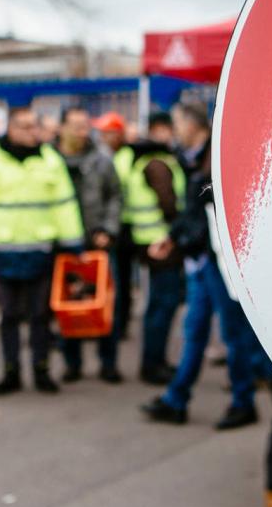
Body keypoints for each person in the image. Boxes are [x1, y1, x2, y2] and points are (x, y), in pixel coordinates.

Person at [142, 102, 261, 429]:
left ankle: (243, 401)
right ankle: (177, 398)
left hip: (218, 260)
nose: (175, 129)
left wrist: (178, 238)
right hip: (202, 259)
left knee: (231, 333)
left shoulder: (214, 156)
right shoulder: (193, 158)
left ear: (193, 124)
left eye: (178, 122)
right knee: (195, 330)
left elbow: (208, 208)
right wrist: (174, 237)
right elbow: (194, 211)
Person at [0, 107, 82, 396]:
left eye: (34, 126)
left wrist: (72, 240)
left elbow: (64, 204)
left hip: (40, 250)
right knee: (9, 315)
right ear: (10, 129)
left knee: (40, 315)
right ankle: (11, 371)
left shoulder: (50, 161)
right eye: (24, 126)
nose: (31, 132)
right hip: (3, 252)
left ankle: (41, 370)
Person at [54, 106, 124, 383]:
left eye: (86, 125)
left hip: (98, 242)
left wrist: (108, 229)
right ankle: (72, 363)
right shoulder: (50, 160)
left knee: (106, 303)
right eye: (76, 125)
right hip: (64, 244)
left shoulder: (101, 159)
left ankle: (109, 362)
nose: (82, 131)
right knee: (69, 304)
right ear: (62, 128)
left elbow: (115, 196)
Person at [127, 112, 187, 385]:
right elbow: (169, 204)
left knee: (157, 305)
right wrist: (179, 231)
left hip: (149, 240)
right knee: (163, 304)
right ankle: (154, 364)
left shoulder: (142, 158)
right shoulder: (158, 163)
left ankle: (153, 362)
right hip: (162, 243)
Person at [94, 112, 139, 341]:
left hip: (127, 226)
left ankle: (120, 325)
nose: (104, 137)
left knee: (122, 279)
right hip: (108, 226)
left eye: (108, 133)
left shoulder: (127, 156)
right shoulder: (100, 156)